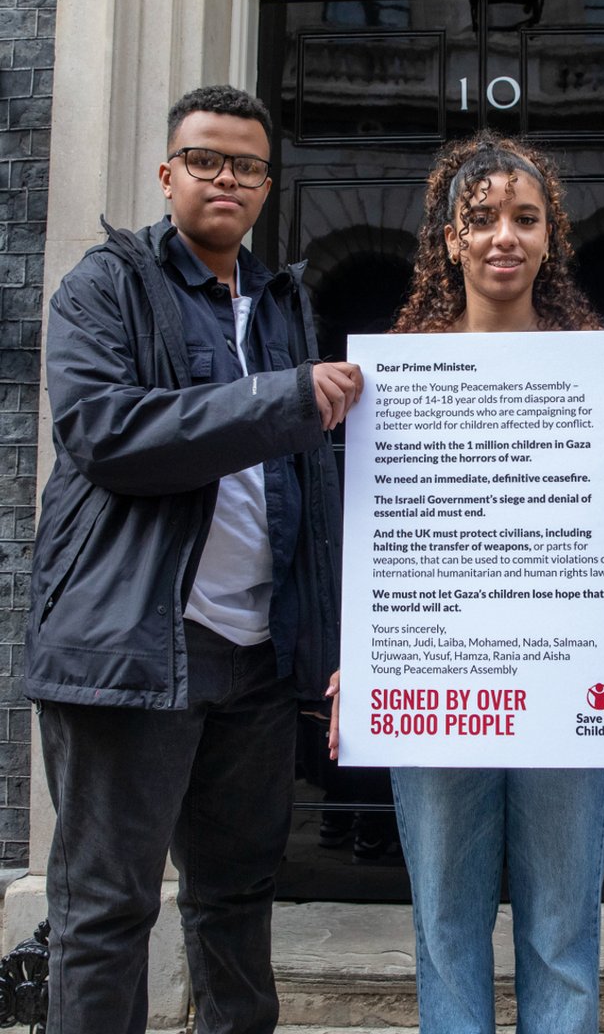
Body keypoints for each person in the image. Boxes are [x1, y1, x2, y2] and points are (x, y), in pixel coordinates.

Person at [25, 84, 363, 1034]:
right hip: (132, 648)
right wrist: (287, 397)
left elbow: (315, 486)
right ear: (168, 173)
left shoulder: (282, 299)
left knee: (237, 898)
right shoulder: (106, 284)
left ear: (267, 185)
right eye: (207, 161)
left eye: (247, 166)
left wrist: (334, 643)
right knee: (106, 907)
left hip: (255, 652)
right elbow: (107, 432)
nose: (228, 179)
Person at [356, 132, 604, 1034]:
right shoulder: (395, 374)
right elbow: (378, 532)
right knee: (445, 925)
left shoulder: (600, 371)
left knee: (564, 929)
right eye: (481, 218)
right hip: (438, 680)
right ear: (447, 240)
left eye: (525, 219)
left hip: (571, 676)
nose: (504, 236)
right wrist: (362, 661)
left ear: (549, 237)